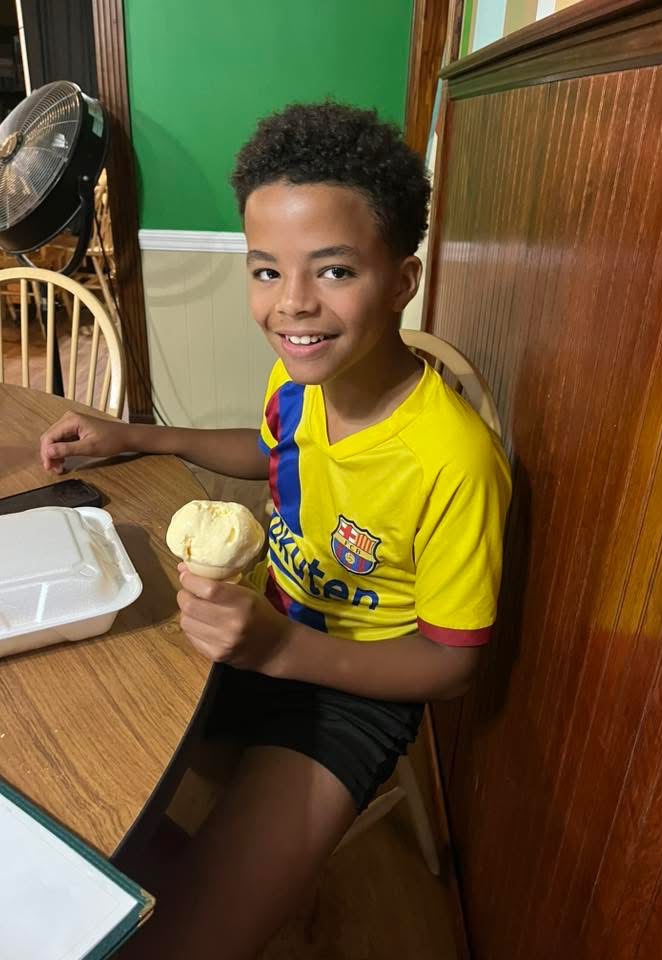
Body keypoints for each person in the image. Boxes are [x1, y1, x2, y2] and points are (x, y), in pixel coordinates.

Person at [39, 101, 511, 959]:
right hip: (261, 625)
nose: (292, 305)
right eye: (265, 270)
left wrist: (280, 651)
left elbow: (452, 666)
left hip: (353, 689)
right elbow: (271, 453)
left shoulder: (455, 461)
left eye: (335, 270)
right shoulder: (298, 383)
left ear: (401, 280)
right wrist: (137, 435)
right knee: (64, 767)